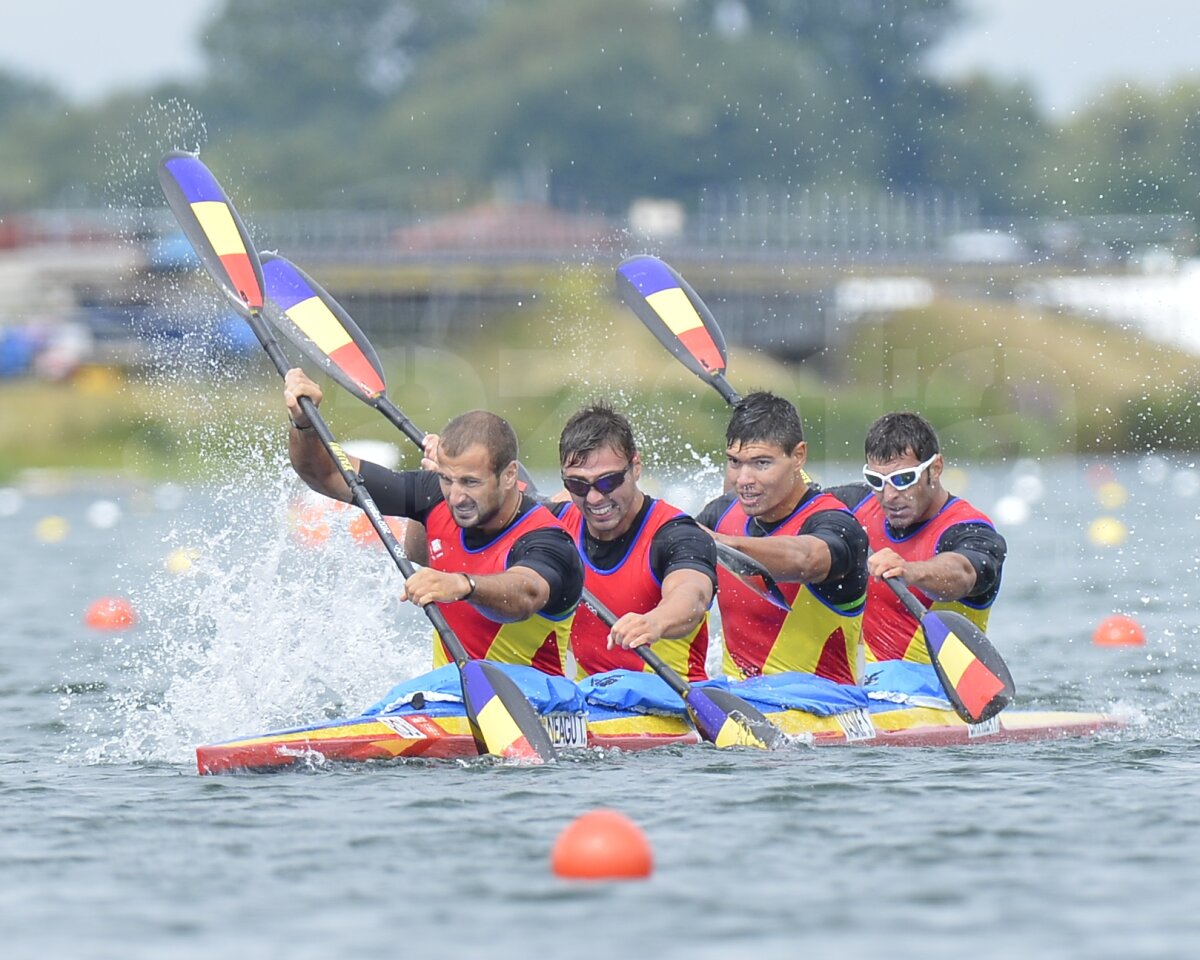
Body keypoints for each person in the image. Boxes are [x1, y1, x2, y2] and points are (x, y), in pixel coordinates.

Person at [283, 368, 583, 676]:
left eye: (470, 482)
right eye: (447, 479)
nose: (456, 497)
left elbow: (526, 595)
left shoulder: (548, 540)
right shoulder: (433, 495)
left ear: (509, 476)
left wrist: (461, 584)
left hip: (537, 702)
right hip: (448, 700)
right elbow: (327, 475)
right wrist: (304, 424)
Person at [696, 392, 869, 685]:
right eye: (735, 463)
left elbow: (806, 561)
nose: (743, 480)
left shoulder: (838, 525)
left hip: (825, 706)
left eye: (761, 463)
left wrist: (719, 543)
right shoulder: (720, 514)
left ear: (798, 456)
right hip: (739, 702)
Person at [547, 403, 717, 682]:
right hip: (592, 707)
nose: (594, 499)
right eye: (578, 485)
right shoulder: (552, 525)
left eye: (608, 482)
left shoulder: (677, 535)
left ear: (636, 467)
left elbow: (692, 596)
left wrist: (655, 621)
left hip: (672, 709)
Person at [824, 411, 1006, 664]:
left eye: (903, 479)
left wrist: (909, 571)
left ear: (935, 468)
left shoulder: (970, 529)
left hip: (933, 689)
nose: (889, 496)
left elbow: (964, 573)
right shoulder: (853, 505)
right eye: (877, 481)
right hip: (869, 686)